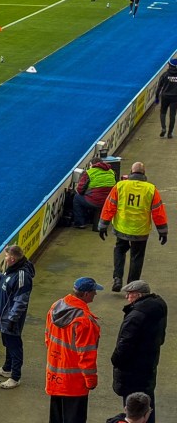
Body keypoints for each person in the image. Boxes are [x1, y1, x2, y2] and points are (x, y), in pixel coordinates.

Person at [99, 161, 168, 291]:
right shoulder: (151, 189)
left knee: (119, 250)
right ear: (144, 173)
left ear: (131, 172)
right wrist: (162, 231)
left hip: (122, 227)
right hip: (140, 230)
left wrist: (103, 225)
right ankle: (132, 286)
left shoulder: (120, 186)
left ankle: (117, 278)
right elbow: (158, 212)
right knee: (137, 257)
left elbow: (110, 206)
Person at [45, 277, 103, 423]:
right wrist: (91, 380)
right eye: (93, 291)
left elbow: (48, 338)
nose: (95, 294)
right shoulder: (84, 321)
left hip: (55, 378)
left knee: (56, 418)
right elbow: (87, 355)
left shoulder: (55, 307)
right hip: (74, 384)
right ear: (85, 294)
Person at [111, 281, 167, 423]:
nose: (127, 297)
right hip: (148, 366)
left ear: (138, 295)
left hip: (132, 371)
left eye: (129, 294)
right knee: (146, 403)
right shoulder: (158, 308)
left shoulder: (136, 316)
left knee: (133, 408)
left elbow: (125, 343)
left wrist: (115, 359)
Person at [0, 244, 35, 389]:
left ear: (12, 258)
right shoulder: (13, 270)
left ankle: (15, 377)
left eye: (6, 256)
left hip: (10, 318)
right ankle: (7, 369)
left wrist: (12, 319)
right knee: (8, 343)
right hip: (5, 317)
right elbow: (8, 283)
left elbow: (21, 301)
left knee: (14, 346)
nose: (5, 259)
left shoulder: (22, 276)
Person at [72, 159, 117, 229]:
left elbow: (80, 190)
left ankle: (80, 223)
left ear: (92, 165)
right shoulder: (111, 172)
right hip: (108, 201)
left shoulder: (89, 172)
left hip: (95, 201)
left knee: (77, 198)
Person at [153, 56, 177, 138]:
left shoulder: (165, 74)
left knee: (163, 112)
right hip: (175, 98)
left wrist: (156, 98)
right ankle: (170, 133)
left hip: (165, 97)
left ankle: (163, 128)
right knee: (172, 115)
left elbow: (159, 87)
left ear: (170, 66)